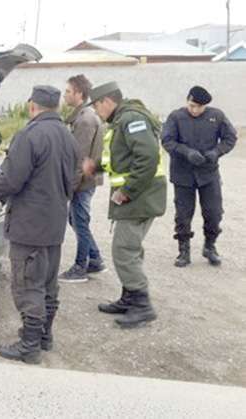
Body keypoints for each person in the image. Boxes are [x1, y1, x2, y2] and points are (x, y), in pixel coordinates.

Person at [0, 86, 80, 364]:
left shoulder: (30, 135)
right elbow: (76, 178)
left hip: (29, 225)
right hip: (54, 223)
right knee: (48, 282)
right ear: (55, 107)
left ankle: (29, 346)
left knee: (28, 284)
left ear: (32, 106)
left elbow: (10, 180)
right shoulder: (67, 135)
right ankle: (44, 337)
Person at [83, 82, 166, 328]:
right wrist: (96, 166)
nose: (97, 112)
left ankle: (142, 306)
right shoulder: (122, 120)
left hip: (140, 196)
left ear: (107, 102)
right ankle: (129, 297)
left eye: (97, 106)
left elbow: (147, 157)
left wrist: (127, 191)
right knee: (129, 247)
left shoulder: (131, 119)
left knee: (124, 249)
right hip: (140, 196)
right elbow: (121, 157)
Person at [161, 86, 238, 267]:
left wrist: (216, 152)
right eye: (192, 105)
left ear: (206, 106)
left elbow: (230, 138)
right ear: (187, 100)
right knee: (183, 214)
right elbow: (167, 141)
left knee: (214, 212)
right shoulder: (176, 117)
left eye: (199, 107)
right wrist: (186, 152)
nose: (195, 110)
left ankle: (210, 246)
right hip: (183, 174)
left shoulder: (216, 116)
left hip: (208, 173)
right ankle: (183, 250)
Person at [58, 74, 107, 283]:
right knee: (77, 220)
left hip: (82, 183)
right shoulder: (84, 115)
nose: (65, 95)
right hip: (85, 181)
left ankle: (80, 267)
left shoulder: (85, 119)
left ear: (79, 93)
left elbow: (79, 159)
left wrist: (69, 189)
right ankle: (95, 259)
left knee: (80, 221)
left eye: (68, 91)